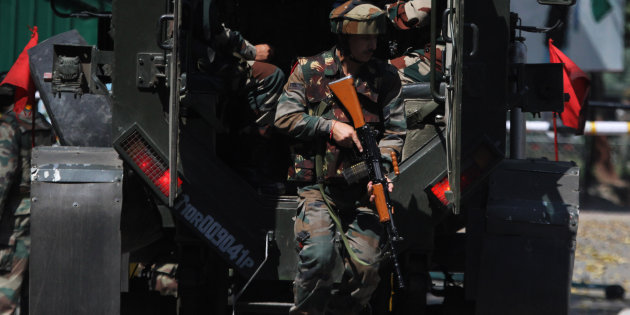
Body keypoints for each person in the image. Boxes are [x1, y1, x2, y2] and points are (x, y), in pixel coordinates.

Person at [274, 1, 403, 314]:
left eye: (375, 37)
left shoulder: (386, 78)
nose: (372, 44)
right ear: (345, 38)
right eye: (364, 38)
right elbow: (283, 117)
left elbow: (395, 135)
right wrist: (328, 126)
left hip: (361, 191)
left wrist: (382, 173)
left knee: (369, 267)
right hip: (318, 188)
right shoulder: (311, 70)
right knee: (319, 256)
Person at [0, 74, 53, 314]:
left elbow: (3, 178)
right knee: (35, 295)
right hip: (41, 217)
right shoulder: (41, 123)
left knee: (6, 296)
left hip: (13, 226)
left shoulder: (7, 126)